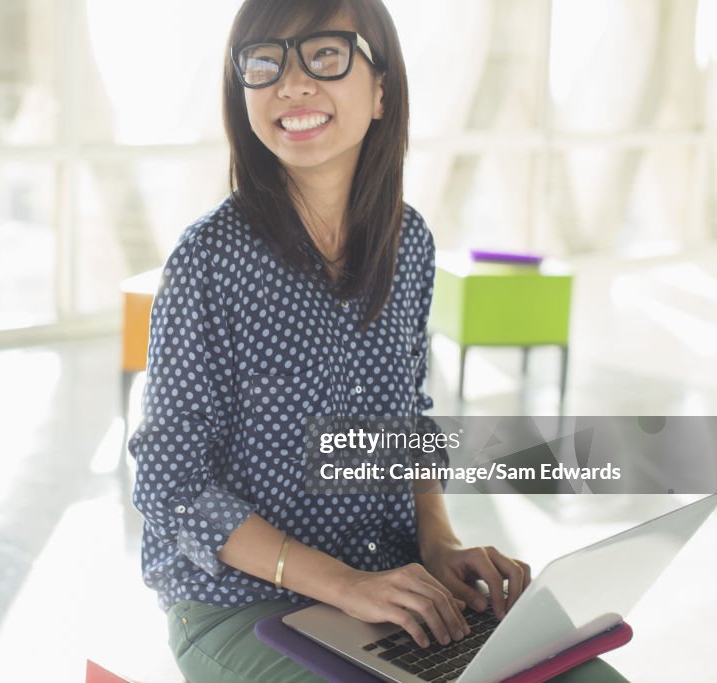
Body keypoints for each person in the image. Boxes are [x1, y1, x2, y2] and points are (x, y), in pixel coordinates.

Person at [128, 2, 620, 682]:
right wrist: (344, 584)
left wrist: (438, 543)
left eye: (325, 55)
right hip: (240, 604)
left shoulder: (409, 241)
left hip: (390, 588)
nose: (291, 84)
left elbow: (406, 420)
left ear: (382, 88)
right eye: (265, 60)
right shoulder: (209, 260)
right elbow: (172, 485)